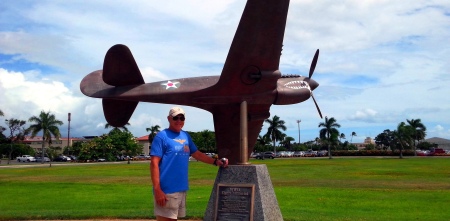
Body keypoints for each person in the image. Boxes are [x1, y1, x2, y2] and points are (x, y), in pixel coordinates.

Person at [150, 106, 228, 221]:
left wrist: (215, 162)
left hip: (181, 188)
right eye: (176, 118)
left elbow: (197, 154)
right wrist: (157, 190)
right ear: (169, 118)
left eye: (182, 118)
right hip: (166, 190)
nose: (179, 121)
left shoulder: (185, 135)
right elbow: (154, 163)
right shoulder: (162, 137)